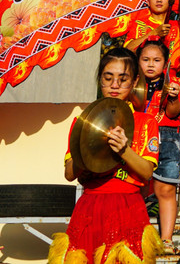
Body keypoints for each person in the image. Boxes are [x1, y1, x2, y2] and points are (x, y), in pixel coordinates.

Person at [48, 48, 161, 264]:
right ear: (100, 79)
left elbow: (147, 173)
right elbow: (69, 174)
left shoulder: (145, 122)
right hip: (89, 208)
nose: (115, 85)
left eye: (123, 79)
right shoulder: (83, 122)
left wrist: (124, 150)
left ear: (135, 81)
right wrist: (89, 146)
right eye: (108, 78)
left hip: (127, 208)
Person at [126, 0, 180, 186]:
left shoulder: (177, 25)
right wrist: (153, 33)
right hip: (141, 80)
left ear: (171, 0)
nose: (159, 0)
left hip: (170, 78)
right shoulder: (139, 24)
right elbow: (127, 50)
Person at [135, 39, 180, 255]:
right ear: (138, 62)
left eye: (156, 60)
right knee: (136, 189)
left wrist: (173, 97)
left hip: (166, 138)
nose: (151, 64)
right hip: (139, 138)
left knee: (165, 190)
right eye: (145, 59)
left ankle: (166, 239)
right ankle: (135, 237)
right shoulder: (132, 83)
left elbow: (173, 113)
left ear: (165, 63)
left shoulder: (172, 83)